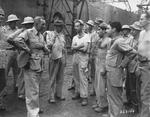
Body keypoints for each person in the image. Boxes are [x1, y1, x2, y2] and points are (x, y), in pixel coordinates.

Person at [15, 16, 48, 117]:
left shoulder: (41, 35)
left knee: (36, 91)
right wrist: (26, 49)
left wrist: (46, 48)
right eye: (43, 24)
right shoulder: (28, 32)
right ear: (37, 24)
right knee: (31, 93)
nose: (44, 26)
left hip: (39, 66)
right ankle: (33, 115)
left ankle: (35, 111)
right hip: (30, 66)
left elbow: (43, 46)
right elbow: (18, 40)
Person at [105, 22, 136, 117]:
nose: (106, 30)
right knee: (111, 96)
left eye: (108, 28)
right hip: (111, 71)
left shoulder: (119, 41)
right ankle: (112, 114)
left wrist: (123, 64)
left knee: (115, 98)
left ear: (114, 29)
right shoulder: (113, 40)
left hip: (115, 73)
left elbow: (133, 52)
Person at [8, 16, 34, 100]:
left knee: (27, 74)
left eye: (30, 24)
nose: (29, 26)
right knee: (22, 74)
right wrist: (22, 48)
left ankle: (25, 92)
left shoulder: (32, 32)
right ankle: (21, 93)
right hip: (23, 54)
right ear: (25, 25)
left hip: (31, 55)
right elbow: (10, 39)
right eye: (27, 24)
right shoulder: (22, 31)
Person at [45, 19, 66, 103]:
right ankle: (51, 96)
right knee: (52, 77)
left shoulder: (62, 35)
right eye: (57, 26)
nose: (59, 28)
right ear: (55, 26)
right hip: (53, 58)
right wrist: (54, 37)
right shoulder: (49, 34)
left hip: (61, 57)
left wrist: (65, 59)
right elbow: (48, 46)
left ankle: (59, 94)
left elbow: (64, 48)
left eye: (61, 26)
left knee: (60, 78)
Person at [92, 23, 110, 113]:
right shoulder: (100, 39)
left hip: (103, 64)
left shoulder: (108, 40)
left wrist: (105, 67)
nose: (97, 31)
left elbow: (109, 55)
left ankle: (103, 105)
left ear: (104, 30)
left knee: (102, 86)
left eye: (99, 30)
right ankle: (98, 102)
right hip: (98, 62)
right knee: (97, 84)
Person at [71, 19, 90, 106]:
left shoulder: (87, 36)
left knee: (83, 78)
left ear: (82, 27)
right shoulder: (74, 37)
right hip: (75, 58)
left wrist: (76, 47)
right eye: (75, 26)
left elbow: (85, 49)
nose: (76, 28)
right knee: (76, 76)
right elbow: (72, 48)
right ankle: (77, 92)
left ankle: (84, 97)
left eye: (77, 26)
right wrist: (81, 45)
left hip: (83, 59)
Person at [137, 11, 150, 117]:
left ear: (148, 20)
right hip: (139, 63)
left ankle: (144, 115)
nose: (139, 20)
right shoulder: (141, 33)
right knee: (139, 91)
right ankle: (142, 112)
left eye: (142, 19)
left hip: (147, 65)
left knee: (145, 93)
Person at [4, 14, 20, 92]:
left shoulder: (18, 30)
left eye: (15, 21)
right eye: (12, 22)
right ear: (9, 23)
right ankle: (4, 88)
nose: (14, 23)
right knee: (5, 70)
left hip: (16, 51)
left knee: (16, 69)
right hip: (8, 51)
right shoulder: (4, 30)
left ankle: (16, 85)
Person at [86, 20, 99, 95]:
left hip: (92, 55)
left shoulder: (94, 34)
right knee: (85, 71)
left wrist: (90, 55)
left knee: (93, 73)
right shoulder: (87, 34)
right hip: (86, 55)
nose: (88, 26)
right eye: (87, 25)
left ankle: (94, 89)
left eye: (89, 25)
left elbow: (93, 46)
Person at [0, 7, 7, 111]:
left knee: (2, 82)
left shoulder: (4, 29)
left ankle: (0, 101)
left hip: (2, 60)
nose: (0, 17)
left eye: (2, 15)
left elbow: (8, 41)